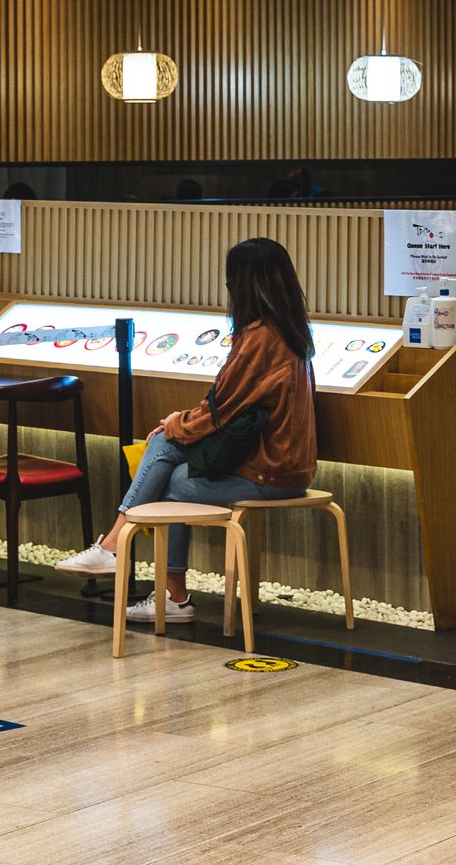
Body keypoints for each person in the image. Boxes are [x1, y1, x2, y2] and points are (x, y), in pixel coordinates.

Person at [56, 237, 317, 623]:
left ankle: (128, 560)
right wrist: (179, 424)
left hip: (270, 472)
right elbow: (226, 405)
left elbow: (220, 408)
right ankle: (151, 580)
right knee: (169, 452)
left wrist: (175, 424)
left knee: (169, 469)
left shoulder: (260, 338)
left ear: (242, 285)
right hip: (284, 466)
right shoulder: (288, 331)